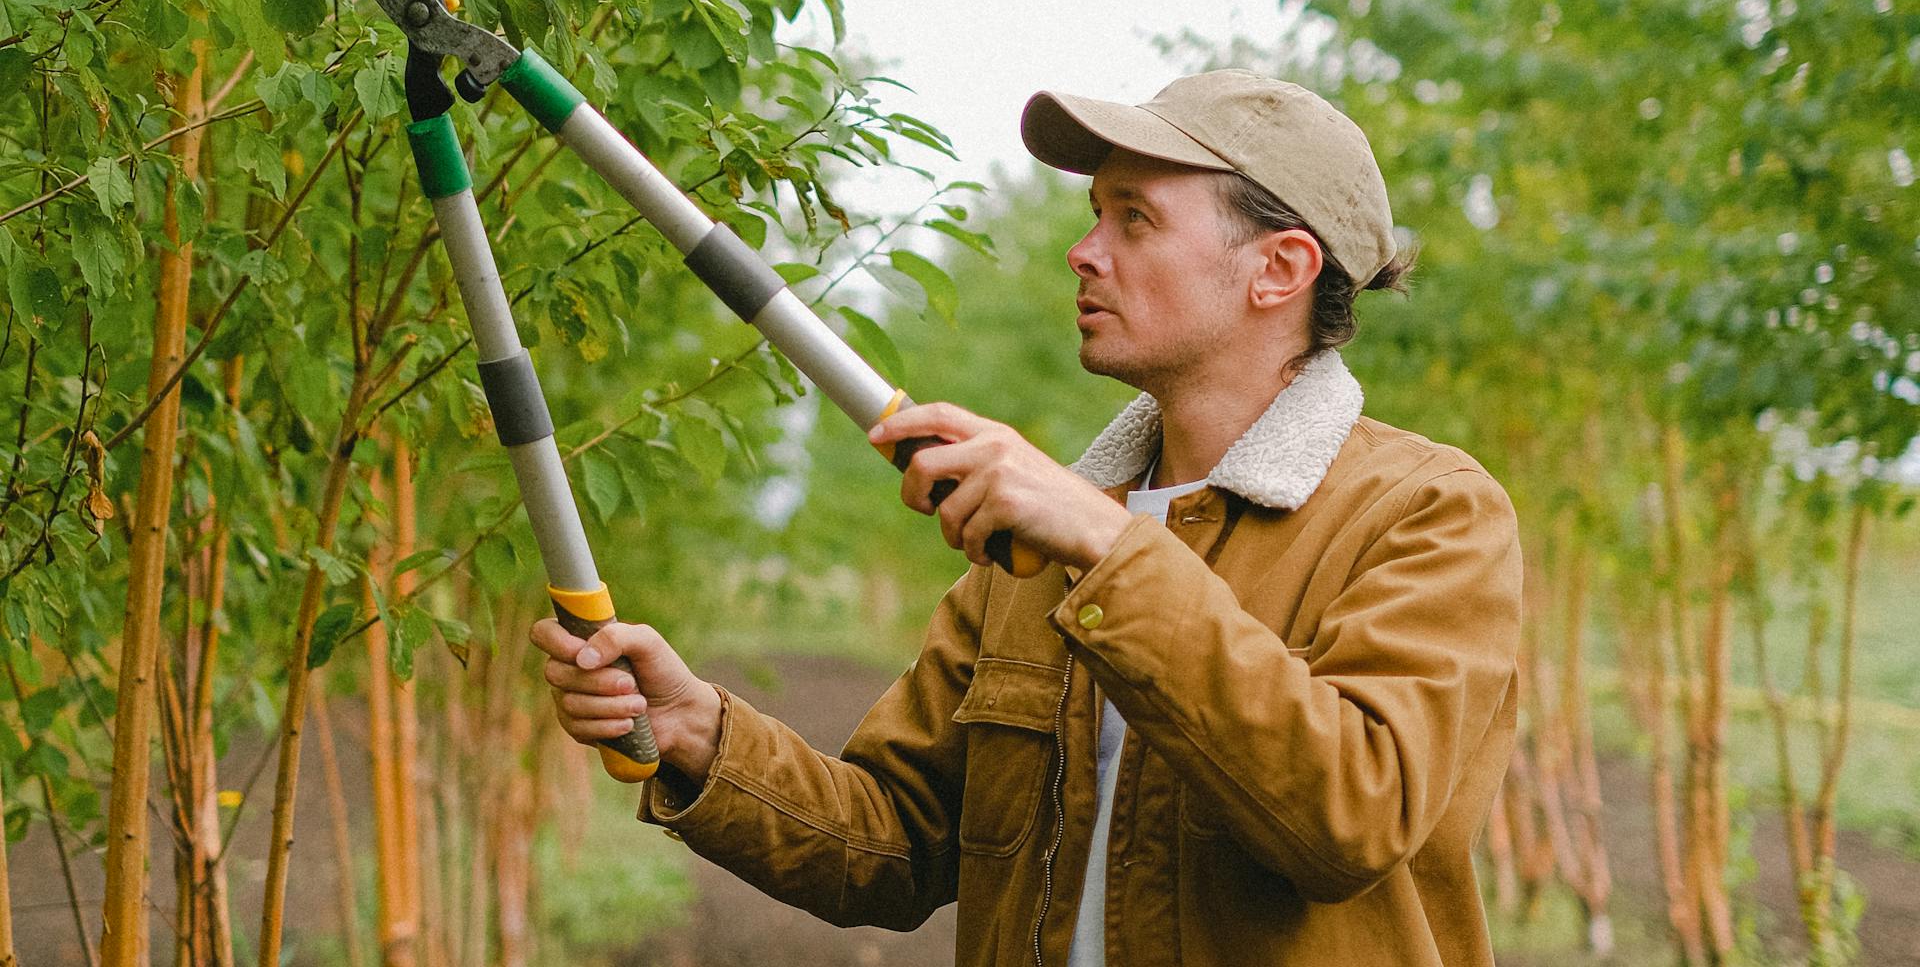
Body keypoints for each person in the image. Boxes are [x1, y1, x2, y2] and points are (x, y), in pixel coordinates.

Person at [530, 69, 1523, 966]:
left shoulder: (1427, 514)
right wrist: (704, 735)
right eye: (1094, 215)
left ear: (1279, 269)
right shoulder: (1040, 547)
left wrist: (1105, 542)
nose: (1082, 252)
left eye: (1134, 219)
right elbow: (897, 843)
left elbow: (1350, 814)